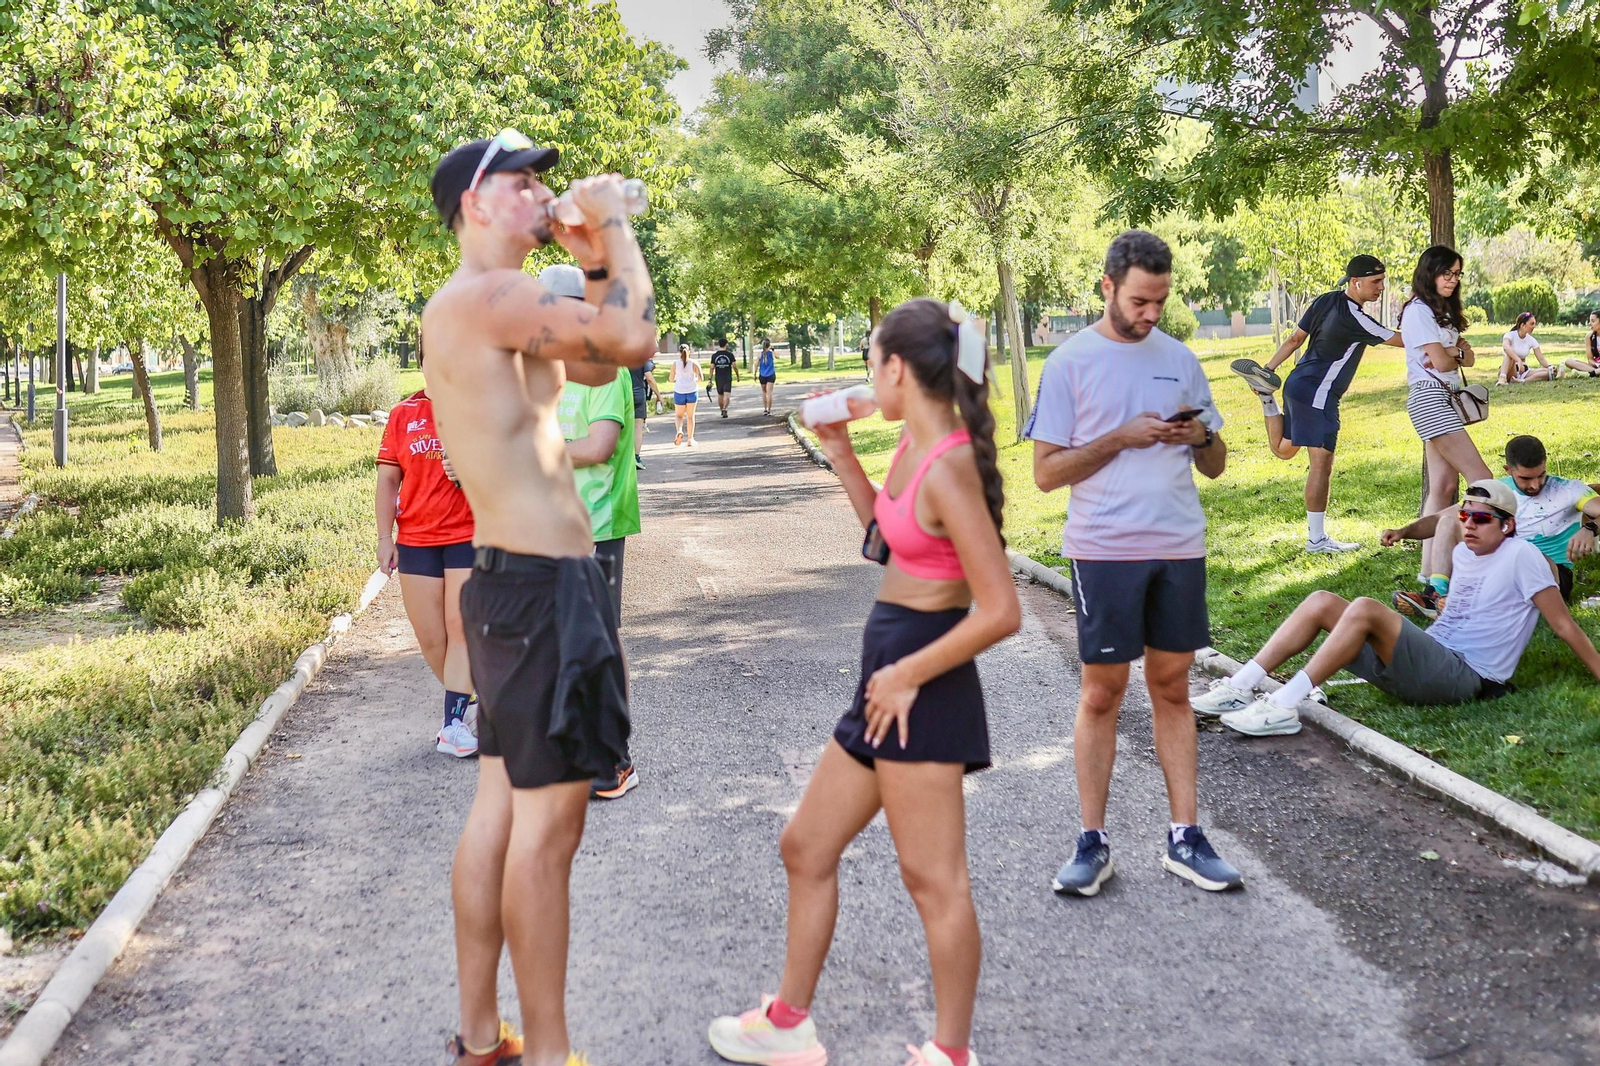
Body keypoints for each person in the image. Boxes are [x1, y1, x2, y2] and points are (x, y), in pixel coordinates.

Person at [707, 298, 1020, 1066]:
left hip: (921, 682)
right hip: (886, 681)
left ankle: (951, 1054)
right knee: (806, 845)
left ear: (898, 369)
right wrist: (842, 453)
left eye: (873, 361)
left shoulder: (950, 465)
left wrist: (910, 674)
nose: (867, 377)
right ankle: (789, 1025)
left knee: (933, 881)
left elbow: (1001, 609)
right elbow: (887, 542)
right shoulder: (914, 443)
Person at [420, 129, 655, 1066]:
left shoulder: (485, 307)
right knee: (548, 831)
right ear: (476, 206)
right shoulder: (493, 297)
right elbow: (634, 339)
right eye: (520, 183)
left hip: (514, 588)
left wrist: (589, 257)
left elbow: (597, 362)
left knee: (499, 812)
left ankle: (483, 1037)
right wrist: (616, 225)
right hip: (542, 590)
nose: (538, 194)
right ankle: (550, 1054)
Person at [1026, 229, 1240, 897]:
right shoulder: (1070, 363)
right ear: (1108, 287)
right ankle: (1092, 843)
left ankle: (1186, 838)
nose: (1151, 314)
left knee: (1173, 689)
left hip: (1179, 546)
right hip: (1105, 549)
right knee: (1102, 693)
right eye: (1140, 301)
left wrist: (1200, 434)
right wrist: (1119, 439)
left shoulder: (1180, 359)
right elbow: (1046, 474)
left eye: (1161, 301)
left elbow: (1215, 464)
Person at [1193, 480, 1600, 736]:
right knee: (1322, 601)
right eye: (1464, 516)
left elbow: (1563, 626)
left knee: (1366, 609)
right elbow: (1457, 614)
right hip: (1431, 661)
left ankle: (1284, 704)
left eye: (1480, 519)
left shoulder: (1523, 555)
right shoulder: (1464, 554)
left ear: (1507, 525)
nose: (1468, 525)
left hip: (1465, 676)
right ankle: (1240, 686)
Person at [543, 263, 644, 801]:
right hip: (549, 523)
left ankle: (616, 757)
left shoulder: (604, 367)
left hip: (597, 522)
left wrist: (535, 452)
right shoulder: (547, 369)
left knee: (600, 639)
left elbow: (599, 446)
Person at [1228, 255, 1402, 553]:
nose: (1381, 288)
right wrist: (1442, 339)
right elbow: (1399, 339)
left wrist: (1269, 369)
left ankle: (1267, 396)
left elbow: (1295, 339)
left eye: (1382, 281)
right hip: (1319, 395)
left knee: (1284, 450)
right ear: (1356, 283)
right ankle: (1317, 540)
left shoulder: (1325, 300)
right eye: (1376, 282)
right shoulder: (1355, 317)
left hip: (1298, 384)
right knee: (1321, 465)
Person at [375, 336, 479, 759]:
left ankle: (452, 725)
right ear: (422, 362)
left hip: (468, 534)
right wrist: (385, 538)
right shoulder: (404, 414)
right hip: (416, 540)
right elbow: (388, 481)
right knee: (432, 638)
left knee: (461, 627)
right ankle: (471, 704)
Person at [1385, 435, 1600, 616]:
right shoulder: (1496, 491)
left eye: (1541, 475)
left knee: (1522, 551)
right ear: (1508, 470)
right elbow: (1440, 519)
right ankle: (1435, 594)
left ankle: (1463, 603)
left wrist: (1590, 529)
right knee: (1450, 520)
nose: (1535, 485)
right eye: (1525, 478)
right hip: (1499, 567)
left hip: (1551, 575)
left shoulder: (1569, 490)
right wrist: (1403, 532)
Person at [1401, 244, 1492, 603]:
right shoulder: (1418, 311)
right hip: (1430, 398)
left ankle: (1430, 577)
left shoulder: (1442, 312)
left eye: (1457, 274)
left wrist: (1455, 353)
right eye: (1446, 273)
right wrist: (1455, 353)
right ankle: (1486, 557)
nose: (1452, 280)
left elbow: (1466, 356)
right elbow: (1443, 362)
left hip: (1443, 398)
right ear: (1430, 273)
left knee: (1442, 487)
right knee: (1483, 479)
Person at [1496, 312, 1556, 384]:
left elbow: (1541, 359)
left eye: (1535, 324)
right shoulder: (1510, 335)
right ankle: (1502, 378)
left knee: (1549, 372)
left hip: (1523, 371)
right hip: (1509, 369)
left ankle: (1521, 381)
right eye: (1532, 324)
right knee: (1510, 354)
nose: (1534, 326)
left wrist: (1550, 367)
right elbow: (1506, 347)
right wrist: (1518, 360)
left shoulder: (1531, 340)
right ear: (1523, 325)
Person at [629, 350, 661, 470]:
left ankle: (623, 458)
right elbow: (649, 378)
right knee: (637, 428)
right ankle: (636, 457)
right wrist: (659, 396)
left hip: (622, 396)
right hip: (638, 394)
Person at [672, 343, 702, 447]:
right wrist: (695, 379)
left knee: (679, 415)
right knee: (690, 416)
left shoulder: (675, 364)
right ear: (690, 352)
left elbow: (671, 378)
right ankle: (690, 439)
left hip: (679, 392)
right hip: (692, 391)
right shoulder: (694, 363)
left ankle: (679, 430)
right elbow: (701, 378)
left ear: (679, 352)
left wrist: (676, 378)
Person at [1562, 310, 1600, 378]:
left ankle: (1591, 374)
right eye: (1589, 321)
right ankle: (1596, 372)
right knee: (1569, 361)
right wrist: (1597, 364)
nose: (1590, 323)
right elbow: (1590, 360)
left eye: (1593, 321)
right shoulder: (1589, 337)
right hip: (1596, 366)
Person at [711, 337, 741, 417]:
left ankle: (722, 410)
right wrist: (737, 375)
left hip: (718, 378)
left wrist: (710, 378)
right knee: (727, 394)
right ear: (726, 344)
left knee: (720, 394)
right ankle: (724, 408)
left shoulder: (715, 355)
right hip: (727, 377)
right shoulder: (730, 355)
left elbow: (712, 367)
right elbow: (734, 366)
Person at [757, 338, 777, 415]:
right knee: (769, 392)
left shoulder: (760, 354)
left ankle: (765, 408)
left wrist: (755, 374)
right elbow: (777, 356)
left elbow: (756, 364)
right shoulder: (771, 353)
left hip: (762, 375)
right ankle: (769, 409)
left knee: (764, 392)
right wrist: (773, 349)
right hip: (771, 374)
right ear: (769, 345)